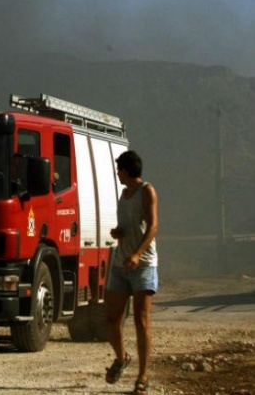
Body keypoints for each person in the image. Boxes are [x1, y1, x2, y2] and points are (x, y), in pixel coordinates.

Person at [104, 150, 159, 395]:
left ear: (125, 171)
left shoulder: (147, 191)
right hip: (120, 264)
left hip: (143, 264)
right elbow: (130, 226)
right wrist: (119, 232)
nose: (117, 174)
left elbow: (153, 226)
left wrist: (137, 254)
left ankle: (143, 377)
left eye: (118, 170)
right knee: (112, 320)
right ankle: (122, 358)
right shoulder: (124, 194)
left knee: (140, 320)